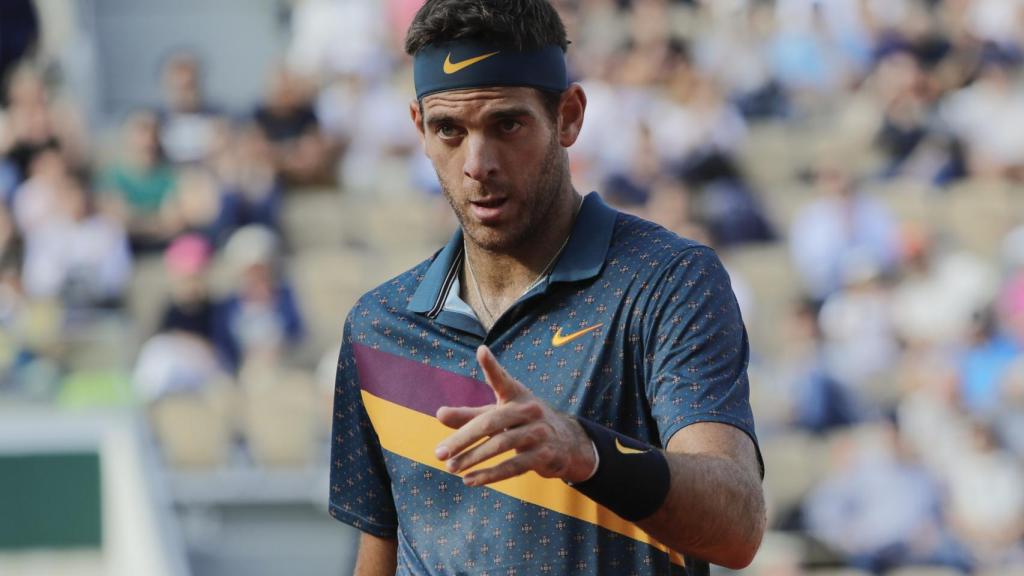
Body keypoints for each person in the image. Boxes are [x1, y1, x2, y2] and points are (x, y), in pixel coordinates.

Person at [328, 1, 766, 575]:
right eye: (449, 131)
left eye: (507, 124)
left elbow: (737, 527)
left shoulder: (668, 281)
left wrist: (586, 453)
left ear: (569, 115)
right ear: (419, 127)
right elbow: (378, 557)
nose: (477, 163)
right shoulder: (377, 326)